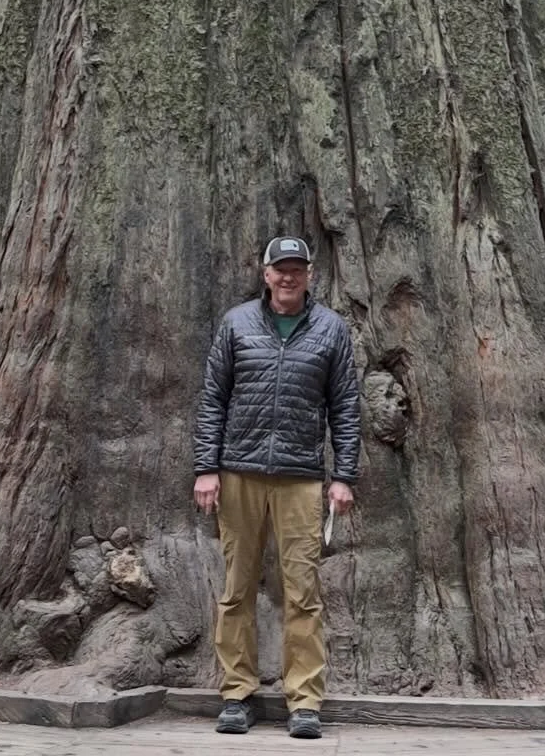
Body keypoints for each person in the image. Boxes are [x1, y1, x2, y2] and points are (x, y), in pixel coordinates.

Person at [194, 236, 361, 740]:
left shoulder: (331, 330)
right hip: (238, 472)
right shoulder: (236, 324)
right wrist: (206, 468)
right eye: (279, 269)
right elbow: (212, 401)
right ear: (265, 273)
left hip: (301, 479)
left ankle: (304, 700)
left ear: (309, 274)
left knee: (302, 591)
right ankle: (236, 693)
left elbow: (346, 408)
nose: (288, 277)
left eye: (297, 269)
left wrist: (344, 476)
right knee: (236, 587)